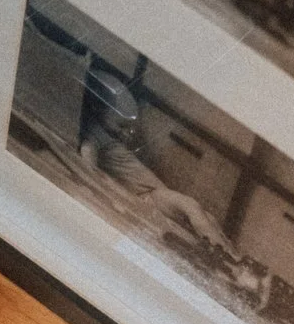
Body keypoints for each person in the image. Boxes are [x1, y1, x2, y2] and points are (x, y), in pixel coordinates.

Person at [75, 68, 233, 251]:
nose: (127, 134)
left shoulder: (108, 135)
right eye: (122, 126)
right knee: (190, 205)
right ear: (100, 109)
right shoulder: (94, 136)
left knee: (208, 218)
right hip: (149, 195)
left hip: (156, 191)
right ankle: (222, 253)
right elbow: (88, 157)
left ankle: (233, 256)